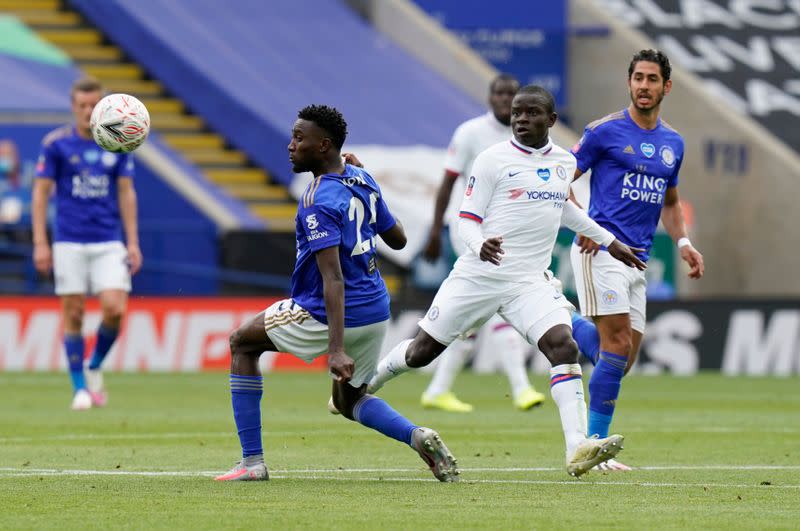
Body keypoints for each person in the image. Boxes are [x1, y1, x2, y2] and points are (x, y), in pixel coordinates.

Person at [368, 85, 647, 477]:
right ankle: (368, 383)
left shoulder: (565, 163)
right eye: (517, 113)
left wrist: (609, 242)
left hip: (528, 281)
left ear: (551, 121)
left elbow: (562, 207)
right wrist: (479, 244)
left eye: (532, 113)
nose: (521, 119)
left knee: (562, 347)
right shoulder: (491, 160)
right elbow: (467, 218)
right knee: (420, 353)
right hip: (479, 275)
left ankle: (577, 448)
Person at [216, 104, 459, 482]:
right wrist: (370, 186)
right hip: (375, 310)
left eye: (300, 138)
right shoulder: (362, 178)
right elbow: (398, 240)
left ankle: (251, 463)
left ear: (324, 145)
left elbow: (333, 278)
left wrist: (336, 349)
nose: (291, 145)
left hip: (324, 311)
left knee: (241, 344)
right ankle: (417, 436)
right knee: (350, 402)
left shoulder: (317, 201)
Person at [568, 49, 705, 471]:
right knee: (618, 344)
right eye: (638, 78)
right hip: (601, 250)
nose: (643, 86)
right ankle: (592, 447)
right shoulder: (603, 132)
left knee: (621, 360)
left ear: (666, 86)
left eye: (652, 79)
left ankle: (557, 318)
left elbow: (670, 200)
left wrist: (683, 244)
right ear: (629, 83)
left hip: (638, 260)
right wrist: (585, 227)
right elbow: (558, 179)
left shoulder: (673, 143)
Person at [419, 73, 546, 413]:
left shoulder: (527, 136)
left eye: (511, 94)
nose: (506, 100)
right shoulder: (470, 133)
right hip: (474, 235)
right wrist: (435, 231)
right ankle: (521, 389)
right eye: (499, 94)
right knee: (499, 304)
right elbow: (447, 183)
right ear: (490, 98)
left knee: (472, 320)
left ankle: (438, 388)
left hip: (510, 235)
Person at [32, 76, 142, 411]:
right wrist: (40, 242)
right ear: (73, 107)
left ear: (102, 107)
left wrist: (132, 242)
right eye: (81, 105)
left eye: (93, 105)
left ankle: (94, 365)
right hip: (68, 240)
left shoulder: (116, 142)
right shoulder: (56, 145)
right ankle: (80, 387)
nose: (86, 111)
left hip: (108, 239)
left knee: (114, 308)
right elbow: (40, 193)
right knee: (74, 313)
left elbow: (126, 192)